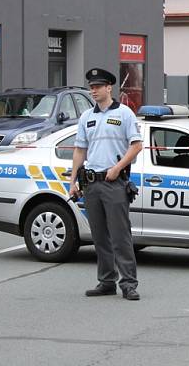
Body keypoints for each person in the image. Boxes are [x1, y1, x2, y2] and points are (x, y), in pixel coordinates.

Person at [70, 68, 143, 301]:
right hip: (92, 184)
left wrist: (117, 168)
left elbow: (136, 145)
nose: (93, 90)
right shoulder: (86, 117)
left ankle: (129, 284)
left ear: (109, 88)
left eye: (97, 86)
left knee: (121, 236)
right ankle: (107, 281)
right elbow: (80, 150)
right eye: (91, 86)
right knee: (99, 236)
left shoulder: (124, 114)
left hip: (114, 183)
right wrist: (73, 181)